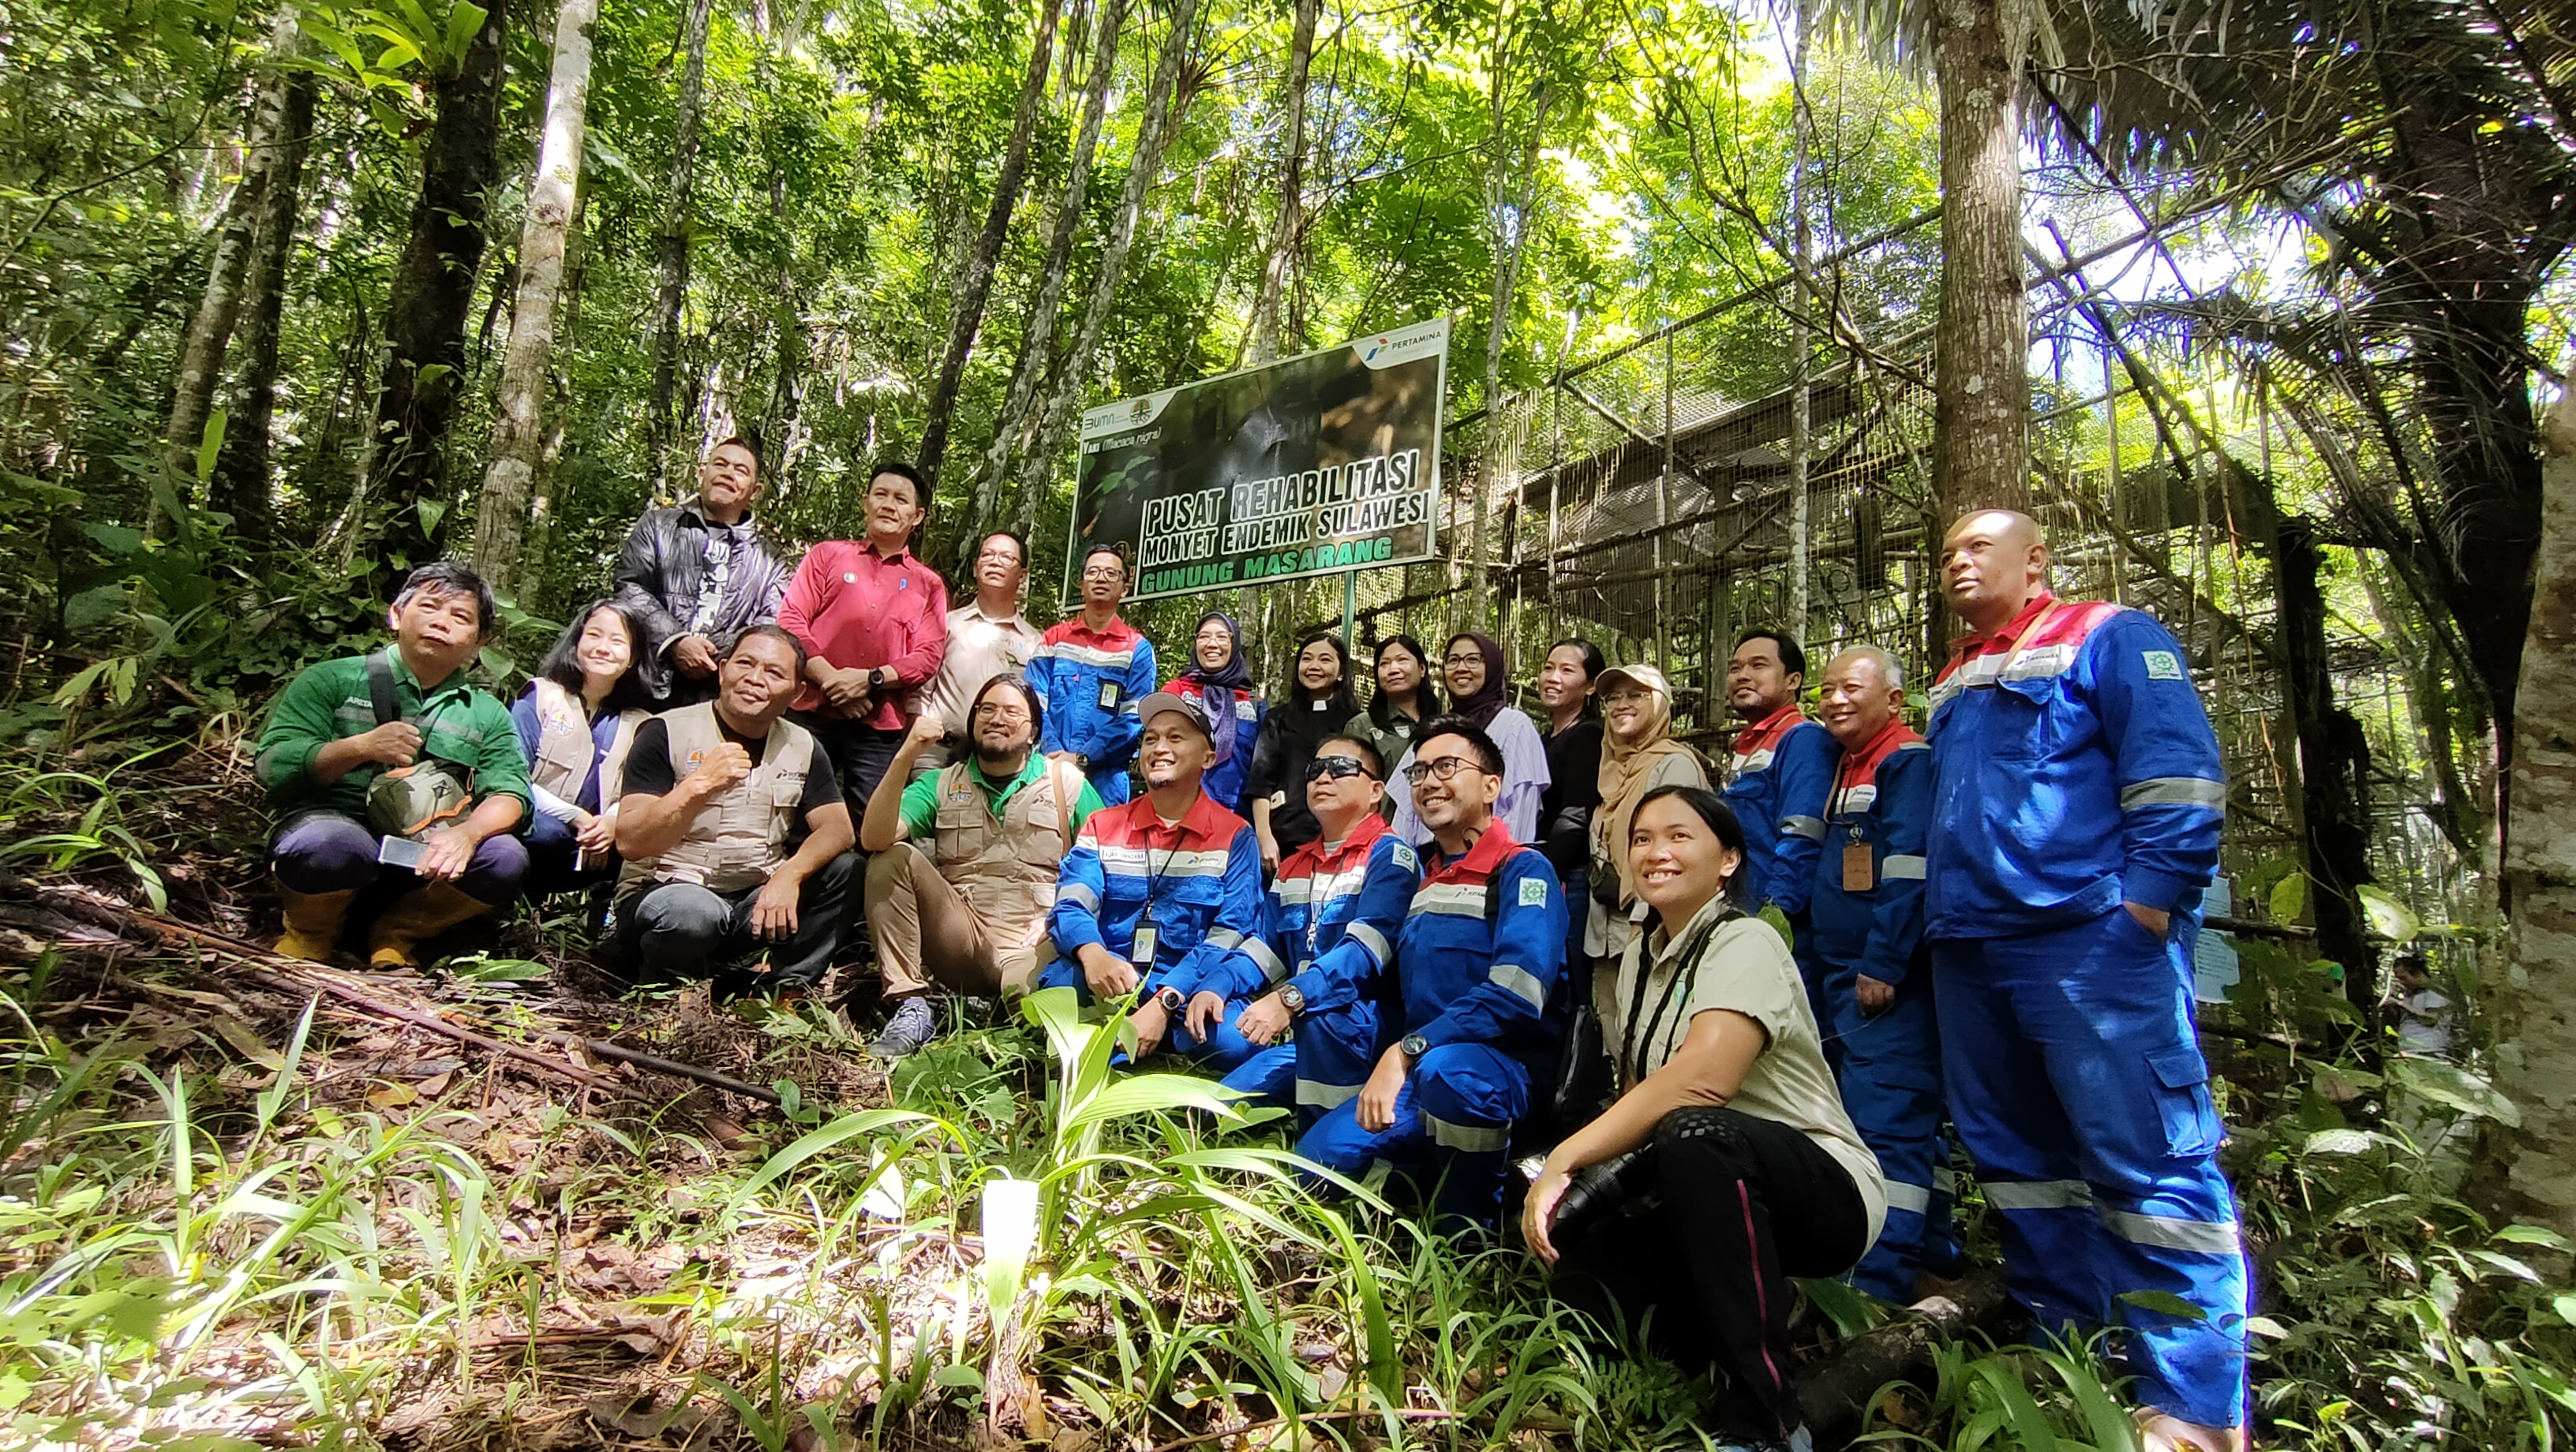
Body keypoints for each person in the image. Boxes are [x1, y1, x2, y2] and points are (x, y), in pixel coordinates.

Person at [1924, 509, 2245, 1452]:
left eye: (1980, 547)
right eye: (1947, 553)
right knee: (2017, 1158)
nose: (1958, 562)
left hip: (2089, 942)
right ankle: (2067, 1336)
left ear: (2038, 561)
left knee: (2148, 1155)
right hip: (1971, 948)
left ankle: (2190, 1401)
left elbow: (2178, 773)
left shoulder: (2110, 635)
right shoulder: (1952, 679)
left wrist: (2150, 901)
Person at [1524, 787, 1884, 1452]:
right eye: (1640, 839)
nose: (1655, 852)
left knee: (1694, 1134)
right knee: (1583, 1281)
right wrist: (1586, 1199)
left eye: (1679, 836)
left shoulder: (1745, 940)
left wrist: (1565, 1159)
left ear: (1728, 860)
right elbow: (1640, 1088)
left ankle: (1768, 1418)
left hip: (1821, 1188)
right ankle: (1764, 1305)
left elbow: (1703, 1082)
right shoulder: (1640, 954)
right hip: (1702, 1179)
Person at [1301, 717, 1567, 1226]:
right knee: (1313, 1168)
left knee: (1454, 1077)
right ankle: (1423, 1173)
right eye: (1419, 772)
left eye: (1446, 767)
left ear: (1492, 786)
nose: (1427, 782)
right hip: (1420, 1073)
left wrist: (1405, 1051)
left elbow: (1517, 993)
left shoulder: (1522, 870)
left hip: (1497, 1070)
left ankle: (1470, 1232)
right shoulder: (1423, 874)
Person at [256, 562, 533, 968]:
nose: (442, 623)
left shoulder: (486, 713)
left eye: (461, 617)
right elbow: (273, 767)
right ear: (397, 615)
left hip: (426, 860)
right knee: (332, 843)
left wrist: (468, 835)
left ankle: (397, 936)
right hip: (332, 834)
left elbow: (512, 791)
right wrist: (360, 747)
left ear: (480, 639)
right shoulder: (333, 680)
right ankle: (310, 934)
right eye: (430, 607)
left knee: (506, 858)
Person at [1810, 645, 1956, 1303]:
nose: (1836, 699)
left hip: (1885, 979)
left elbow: (1909, 865)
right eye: (1828, 688)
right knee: (1893, 1116)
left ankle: (1874, 1285)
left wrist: (1884, 962)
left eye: (1852, 688)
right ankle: (1936, 1250)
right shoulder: (1847, 766)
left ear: (1894, 701)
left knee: (1887, 1121)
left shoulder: (1907, 760)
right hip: (1842, 974)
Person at [858, 674, 1106, 1057]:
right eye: (986, 709)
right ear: (971, 722)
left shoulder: (1067, 785)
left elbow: (1109, 866)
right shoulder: (940, 783)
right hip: (963, 938)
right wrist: (906, 753)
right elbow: (874, 838)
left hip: (1036, 940)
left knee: (1025, 1003)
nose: (996, 718)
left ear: (1033, 730)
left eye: (1011, 712)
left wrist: (1063, 918)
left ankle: (982, 1009)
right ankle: (911, 1003)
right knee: (890, 858)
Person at [612, 625, 858, 995]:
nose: (755, 679)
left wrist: (788, 876)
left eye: (774, 673)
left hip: (752, 899)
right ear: (723, 670)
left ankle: (784, 991)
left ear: (797, 693)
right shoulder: (665, 731)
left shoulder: (802, 745)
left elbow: (839, 830)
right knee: (693, 914)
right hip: (667, 892)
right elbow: (631, 842)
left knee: (847, 870)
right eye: (745, 664)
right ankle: (659, 991)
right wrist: (699, 785)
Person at [1033, 693, 1267, 1071]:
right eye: (1150, 738)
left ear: (1208, 758)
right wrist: (1093, 954)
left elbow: (1231, 932)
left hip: (1186, 985)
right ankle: (1112, 1047)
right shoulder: (1102, 825)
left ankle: (1125, 1045)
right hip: (1111, 975)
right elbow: (1073, 902)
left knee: (1236, 1045)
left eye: (1176, 738)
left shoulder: (1235, 836)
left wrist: (1165, 1001)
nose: (1159, 747)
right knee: (1059, 988)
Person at [1219, 735, 1421, 1125]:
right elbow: (1266, 948)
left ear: (1376, 790)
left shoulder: (1391, 857)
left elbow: (1364, 952)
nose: (1323, 777)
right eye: (1315, 770)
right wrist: (1217, 986)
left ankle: (1328, 1140)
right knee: (1222, 1109)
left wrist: (1291, 999)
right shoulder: (1295, 863)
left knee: (1325, 1024)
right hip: (1306, 1025)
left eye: (1341, 768)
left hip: (1364, 1027)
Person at [777, 461, 950, 808]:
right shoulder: (827, 556)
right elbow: (791, 621)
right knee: (788, 810)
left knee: (869, 823)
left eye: (900, 499)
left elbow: (927, 656)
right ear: (865, 501)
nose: (889, 504)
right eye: (880, 495)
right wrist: (834, 681)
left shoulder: (928, 584)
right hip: (809, 710)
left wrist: (869, 680)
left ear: (916, 517)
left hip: (879, 723)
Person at [610, 437, 794, 703]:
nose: (728, 473)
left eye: (740, 470)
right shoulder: (657, 526)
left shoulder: (769, 560)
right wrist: (675, 640)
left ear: (754, 491)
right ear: (701, 474)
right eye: (720, 464)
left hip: (717, 696)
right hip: (643, 680)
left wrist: (713, 653)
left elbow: (769, 623)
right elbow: (629, 585)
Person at [508, 601, 657, 898]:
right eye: (594, 636)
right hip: (539, 829)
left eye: (617, 641)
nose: (603, 647)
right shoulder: (540, 696)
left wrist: (611, 822)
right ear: (577, 641)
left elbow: (638, 794)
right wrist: (575, 817)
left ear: (632, 657)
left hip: (595, 846)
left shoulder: (642, 723)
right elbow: (512, 774)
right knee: (548, 834)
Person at [1588, 664, 1709, 970]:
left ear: (1659, 705)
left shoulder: (1673, 765)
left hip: (1651, 932)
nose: (1622, 705)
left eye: (1636, 695)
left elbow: (1672, 852)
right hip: (1605, 935)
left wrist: (1642, 924)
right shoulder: (1609, 767)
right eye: (1613, 698)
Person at [1387, 634, 1549, 848]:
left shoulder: (1514, 725)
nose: (1461, 668)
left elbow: (1520, 810)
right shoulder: (1435, 729)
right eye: (1453, 660)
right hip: (1429, 867)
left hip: (1487, 867)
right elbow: (1407, 814)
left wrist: (1501, 869)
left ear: (1491, 666)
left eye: (1473, 660)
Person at [1720, 629, 1835, 926]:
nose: (1742, 675)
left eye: (1758, 665)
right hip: (1738, 911)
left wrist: (1775, 915)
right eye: (1735, 668)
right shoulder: (1746, 746)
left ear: (1792, 680)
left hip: (1777, 922)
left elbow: (1802, 835)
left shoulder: (1803, 739)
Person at [910, 530, 1044, 779]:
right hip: (938, 752)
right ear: (975, 568)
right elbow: (920, 687)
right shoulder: (946, 625)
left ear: (1023, 576)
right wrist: (918, 731)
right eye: (988, 555)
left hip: (1001, 758)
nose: (995, 561)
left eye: (1006, 557)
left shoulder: (1035, 642)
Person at [1030, 544, 1157, 806]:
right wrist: (1053, 753)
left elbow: (1134, 718)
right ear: (1081, 583)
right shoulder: (1054, 640)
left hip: (1105, 781)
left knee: (1100, 846)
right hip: (1045, 770)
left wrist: (1082, 757)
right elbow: (1032, 704)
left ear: (1125, 587)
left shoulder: (1137, 649)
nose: (1101, 578)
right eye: (1093, 572)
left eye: (1111, 574)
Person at [1246, 631, 1361, 871]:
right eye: (1307, 659)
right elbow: (1261, 782)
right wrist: (1264, 836)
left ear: (1341, 672)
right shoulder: (1277, 718)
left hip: (1342, 841)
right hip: (1285, 839)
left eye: (1325, 659)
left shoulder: (1356, 722)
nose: (1314, 666)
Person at [1536, 639, 1604, 952]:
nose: (1553, 677)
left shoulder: (1589, 735)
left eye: (1566, 670)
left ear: (1590, 686)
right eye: (1549, 668)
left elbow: (1577, 814)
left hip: (1568, 876)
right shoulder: (1541, 739)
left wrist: (1541, 868)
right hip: (1542, 864)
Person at [1163, 612, 1264, 814]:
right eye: (1204, 636)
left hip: (1235, 816)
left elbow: (1263, 770)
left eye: (1221, 637)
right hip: (1179, 811)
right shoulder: (1176, 692)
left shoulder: (1254, 703)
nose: (1212, 644)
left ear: (1234, 644)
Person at [1346, 635, 1443, 785]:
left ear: (1422, 669)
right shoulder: (1362, 726)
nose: (1393, 670)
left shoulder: (1443, 723)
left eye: (1402, 660)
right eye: (1384, 664)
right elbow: (1352, 785)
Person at [2391, 954, 2456, 1057]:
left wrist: (2401, 1004)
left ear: (2417, 974)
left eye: (2404, 978)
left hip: (2427, 1051)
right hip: (2409, 1051)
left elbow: (2430, 1019)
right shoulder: (2411, 993)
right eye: (2399, 979)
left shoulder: (2435, 991)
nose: (2402, 983)